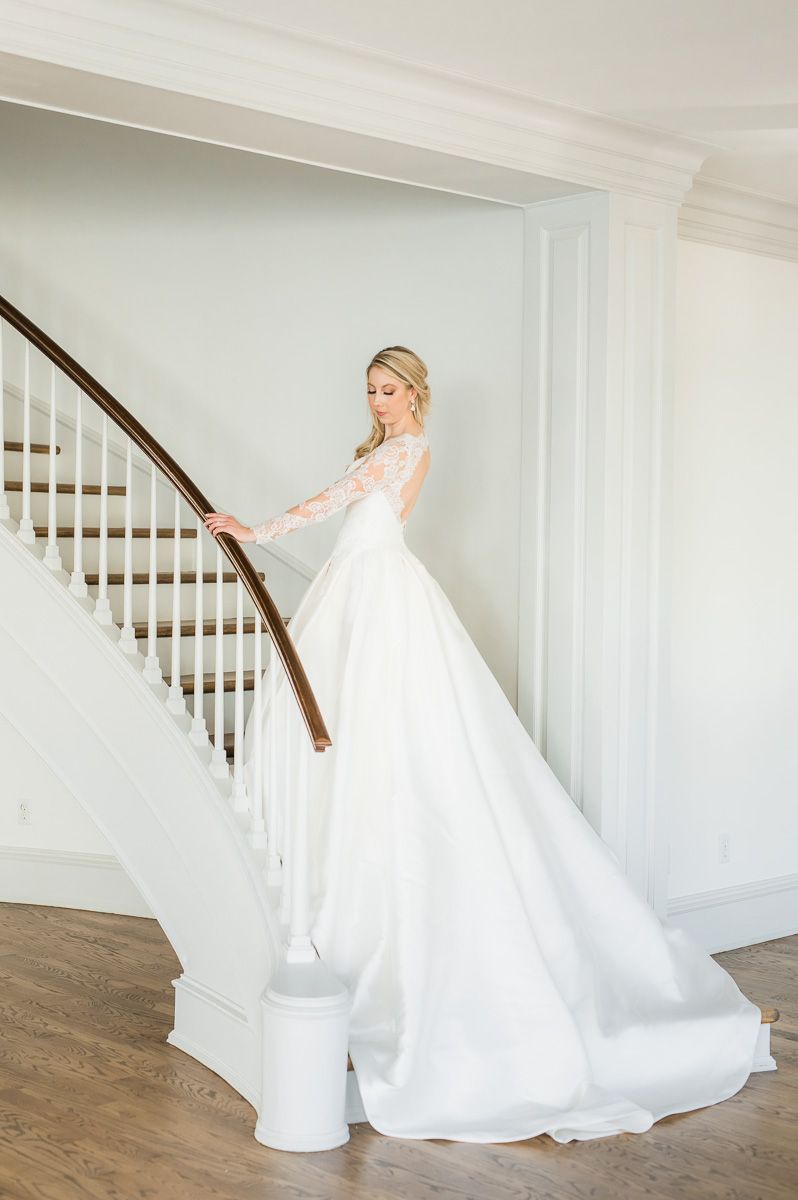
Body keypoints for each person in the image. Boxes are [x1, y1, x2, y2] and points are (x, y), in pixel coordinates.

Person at [203, 346, 763, 1145]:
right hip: (363, 588)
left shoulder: (400, 451)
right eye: (370, 390)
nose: (378, 401)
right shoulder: (396, 449)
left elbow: (336, 501)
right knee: (346, 720)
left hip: (377, 594)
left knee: (382, 722)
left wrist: (255, 531)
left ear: (414, 393)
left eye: (390, 389)